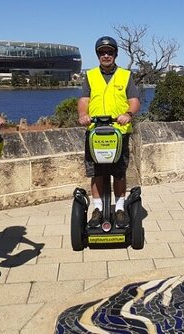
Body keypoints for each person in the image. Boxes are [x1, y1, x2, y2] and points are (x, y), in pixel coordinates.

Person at [78, 36, 140, 229]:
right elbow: (84, 100)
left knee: (119, 172)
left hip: (119, 132)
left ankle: (120, 209)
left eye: (110, 52)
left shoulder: (125, 75)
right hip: (95, 131)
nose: (106, 55)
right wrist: (82, 115)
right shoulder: (90, 75)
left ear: (115, 54)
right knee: (96, 172)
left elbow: (134, 100)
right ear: (98, 55)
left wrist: (128, 114)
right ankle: (97, 209)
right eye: (102, 52)